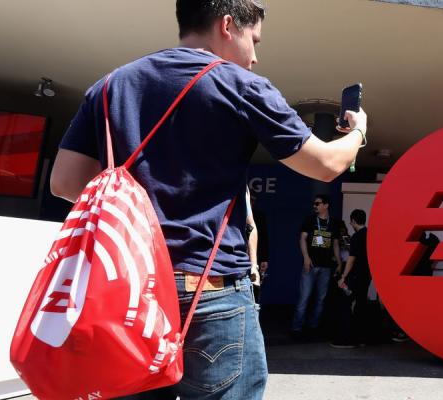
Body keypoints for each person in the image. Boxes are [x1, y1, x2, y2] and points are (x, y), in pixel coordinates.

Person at [49, 0, 369, 398]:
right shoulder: (241, 86)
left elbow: (65, 182)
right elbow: (326, 165)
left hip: (124, 289)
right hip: (209, 289)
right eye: (255, 40)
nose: (255, 56)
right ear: (228, 25)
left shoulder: (110, 85)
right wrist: (358, 132)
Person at [292, 194, 342, 337]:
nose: (314, 206)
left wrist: (339, 262)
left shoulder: (334, 222)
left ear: (326, 205)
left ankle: (313, 326)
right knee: (304, 297)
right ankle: (296, 328)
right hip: (311, 265)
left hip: (326, 266)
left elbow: (336, 244)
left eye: (317, 203)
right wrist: (306, 258)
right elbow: (302, 239)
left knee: (321, 299)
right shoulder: (310, 220)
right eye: (314, 204)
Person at [332, 209, 372, 347]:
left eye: (351, 222)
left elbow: (352, 258)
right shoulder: (370, 234)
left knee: (345, 303)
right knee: (361, 305)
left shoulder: (356, 237)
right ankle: (361, 338)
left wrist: (343, 276)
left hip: (355, 276)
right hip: (366, 275)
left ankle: (347, 338)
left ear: (353, 221)